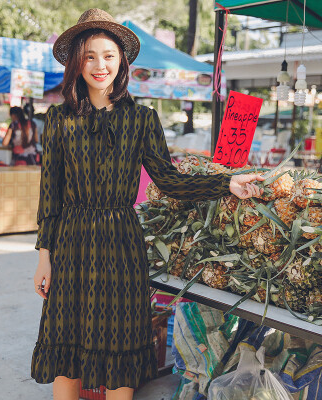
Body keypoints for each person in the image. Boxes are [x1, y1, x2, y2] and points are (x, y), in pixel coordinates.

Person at [31, 8, 264, 400]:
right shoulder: (58, 119)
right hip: (70, 243)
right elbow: (49, 194)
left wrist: (227, 183)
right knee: (66, 346)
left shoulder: (142, 119)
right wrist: (43, 255)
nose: (99, 65)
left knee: (121, 342)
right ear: (76, 62)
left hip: (122, 244)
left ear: (121, 60)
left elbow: (170, 181)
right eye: (89, 56)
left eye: (108, 55)